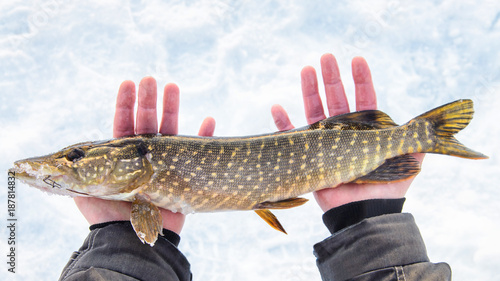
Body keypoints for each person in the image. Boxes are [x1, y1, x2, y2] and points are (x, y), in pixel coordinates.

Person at [59, 54, 451, 281]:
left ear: (136, 159)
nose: (69, 164)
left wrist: (121, 256)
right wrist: (371, 226)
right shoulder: (140, 191)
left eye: (76, 157)